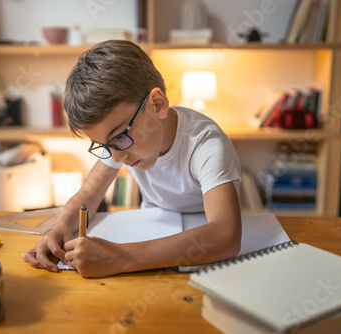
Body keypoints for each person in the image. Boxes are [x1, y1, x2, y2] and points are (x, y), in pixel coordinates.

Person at [22, 40, 242, 278]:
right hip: (153, 230)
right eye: (103, 145)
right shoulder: (121, 142)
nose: (116, 156)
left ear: (157, 104)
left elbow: (225, 235)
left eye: (119, 138)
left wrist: (120, 258)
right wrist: (62, 227)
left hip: (201, 250)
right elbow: (88, 195)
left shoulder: (206, 144)